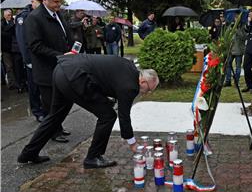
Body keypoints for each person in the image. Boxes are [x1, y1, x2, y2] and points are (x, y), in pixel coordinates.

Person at [18, 54, 159, 169]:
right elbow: (124, 116)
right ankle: (93, 157)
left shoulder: (129, 67)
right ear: (142, 82)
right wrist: (132, 143)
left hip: (62, 69)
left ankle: (28, 153)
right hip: (75, 78)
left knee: (55, 116)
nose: (147, 93)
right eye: (149, 90)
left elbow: (103, 77)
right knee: (108, 116)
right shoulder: (130, 87)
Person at [25, 0, 72, 142]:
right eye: (55, 2)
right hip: (46, 69)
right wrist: (60, 55)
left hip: (61, 66)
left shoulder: (58, 14)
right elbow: (35, 46)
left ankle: (58, 127)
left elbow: (64, 35)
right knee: (51, 104)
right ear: (44, 0)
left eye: (60, 1)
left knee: (61, 101)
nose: (58, 5)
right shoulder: (34, 18)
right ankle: (53, 132)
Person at [15, 0, 47, 122]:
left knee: (44, 86)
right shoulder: (24, 17)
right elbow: (22, 41)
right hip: (31, 59)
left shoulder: (41, 15)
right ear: (34, 2)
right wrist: (28, 60)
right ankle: (37, 111)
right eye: (39, 3)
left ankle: (45, 110)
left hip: (42, 57)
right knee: (34, 87)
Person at [224, 12, 247, 87]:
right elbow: (226, 35)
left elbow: (244, 37)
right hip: (231, 49)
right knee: (228, 65)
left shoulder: (243, 26)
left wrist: (236, 30)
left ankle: (236, 81)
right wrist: (230, 29)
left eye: (237, 17)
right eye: (235, 17)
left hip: (239, 50)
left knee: (238, 67)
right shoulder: (231, 25)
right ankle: (228, 81)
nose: (236, 19)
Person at [1, 9, 17, 90]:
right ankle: (11, 84)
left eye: (10, 14)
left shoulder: (15, 21)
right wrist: (11, 24)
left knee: (16, 66)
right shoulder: (2, 23)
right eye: (8, 15)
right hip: (6, 49)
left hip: (14, 48)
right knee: (9, 67)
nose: (10, 16)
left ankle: (17, 82)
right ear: (4, 15)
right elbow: (3, 34)